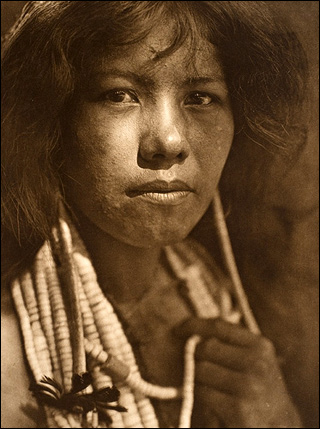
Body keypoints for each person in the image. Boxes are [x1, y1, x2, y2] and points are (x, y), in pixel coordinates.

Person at [1, 1, 318, 428]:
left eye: (201, 97)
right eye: (119, 95)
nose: (168, 140)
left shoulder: (222, 297)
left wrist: (280, 421)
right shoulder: (11, 349)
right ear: (53, 122)